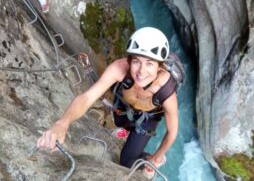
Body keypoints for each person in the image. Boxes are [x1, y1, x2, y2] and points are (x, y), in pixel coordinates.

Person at [36, 27, 178, 179]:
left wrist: (158, 156)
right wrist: (62, 124)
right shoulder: (119, 68)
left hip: (147, 118)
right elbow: (87, 97)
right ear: (129, 60)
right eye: (136, 61)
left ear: (160, 66)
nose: (141, 71)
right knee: (118, 121)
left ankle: (147, 157)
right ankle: (127, 132)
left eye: (150, 64)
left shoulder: (166, 92)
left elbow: (172, 131)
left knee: (126, 161)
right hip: (126, 106)